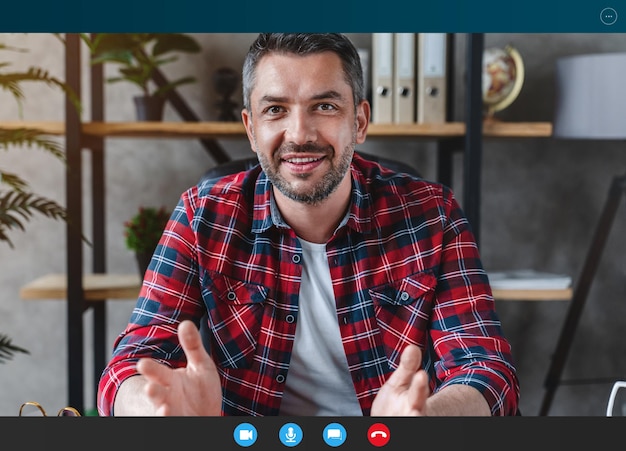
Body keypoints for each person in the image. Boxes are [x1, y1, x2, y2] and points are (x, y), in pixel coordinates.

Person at [98, 33, 520, 417]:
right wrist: (155, 408)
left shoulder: (433, 214)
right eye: (276, 109)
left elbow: (485, 369)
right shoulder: (201, 215)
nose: (299, 134)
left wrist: (429, 417)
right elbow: (128, 364)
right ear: (250, 127)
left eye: (324, 106)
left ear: (359, 120)